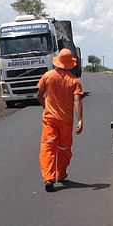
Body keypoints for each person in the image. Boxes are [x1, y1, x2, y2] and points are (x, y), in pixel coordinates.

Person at [37, 48, 84, 192]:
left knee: (48, 148)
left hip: (49, 119)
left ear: (57, 62)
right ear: (70, 64)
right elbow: (77, 101)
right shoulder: (74, 81)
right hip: (66, 121)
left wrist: (46, 106)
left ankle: (49, 178)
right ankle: (61, 174)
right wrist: (80, 120)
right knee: (64, 149)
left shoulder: (47, 76)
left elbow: (39, 95)